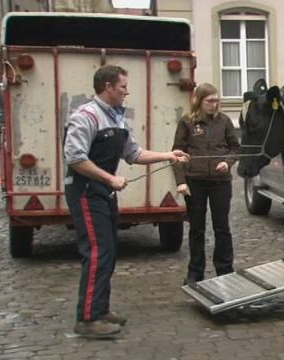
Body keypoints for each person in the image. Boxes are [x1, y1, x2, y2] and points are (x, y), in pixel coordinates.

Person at [63, 65, 189, 338]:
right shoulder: (85, 116)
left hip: (103, 193)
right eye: (122, 87)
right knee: (97, 252)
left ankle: (101, 310)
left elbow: (134, 154)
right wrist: (109, 179)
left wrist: (168, 155)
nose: (126, 91)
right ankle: (87, 320)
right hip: (85, 192)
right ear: (108, 87)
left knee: (108, 251)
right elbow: (75, 158)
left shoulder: (117, 118)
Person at [171, 83, 240, 286]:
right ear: (199, 101)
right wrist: (181, 181)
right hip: (195, 183)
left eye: (216, 100)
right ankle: (195, 271)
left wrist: (227, 163)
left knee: (222, 228)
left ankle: (225, 269)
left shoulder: (225, 121)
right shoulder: (187, 123)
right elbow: (177, 153)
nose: (214, 104)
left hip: (220, 183)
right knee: (197, 229)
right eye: (209, 101)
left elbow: (235, 149)